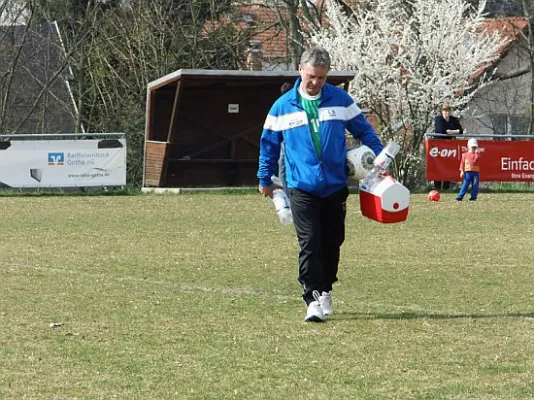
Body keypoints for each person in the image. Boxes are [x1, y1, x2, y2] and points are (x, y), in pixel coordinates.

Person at [257, 45, 384, 322]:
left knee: (332, 241)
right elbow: (268, 145)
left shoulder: (340, 100)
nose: (315, 83)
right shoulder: (282, 107)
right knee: (310, 242)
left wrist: (380, 157)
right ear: (300, 70)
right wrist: (264, 178)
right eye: (311, 76)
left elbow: (364, 130)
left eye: (321, 78)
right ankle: (311, 297)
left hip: (336, 185)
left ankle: (325, 289)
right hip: (301, 186)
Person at [434, 104, 463, 190]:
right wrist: (453, 131)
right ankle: (437, 186)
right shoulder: (438, 119)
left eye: (448, 110)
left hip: (449, 145)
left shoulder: (453, 120)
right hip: (439, 145)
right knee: (438, 165)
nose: (446, 112)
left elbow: (460, 130)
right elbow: (441, 130)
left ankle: (446, 186)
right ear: (442, 111)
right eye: (445, 110)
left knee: (448, 165)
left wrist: (451, 131)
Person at [277, 82, 293, 192]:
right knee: (283, 166)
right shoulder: (283, 105)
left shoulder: (282, 104)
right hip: (286, 140)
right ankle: (288, 193)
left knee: (283, 167)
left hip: (289, 140)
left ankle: (289, 193)